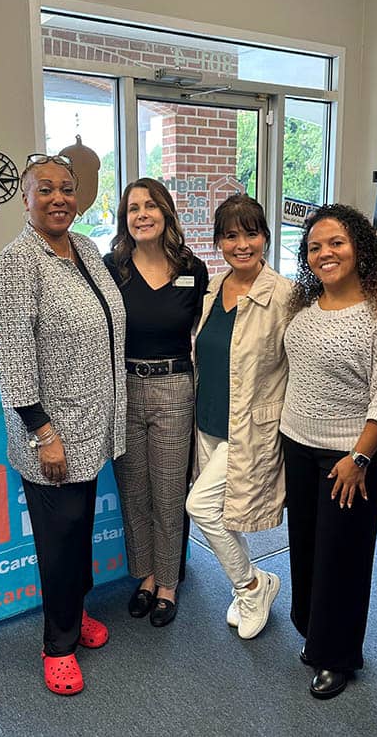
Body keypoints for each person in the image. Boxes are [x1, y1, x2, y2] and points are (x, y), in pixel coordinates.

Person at [0, 153, 126, 696]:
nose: (58, 197)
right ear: (26, 199)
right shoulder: (17, 262)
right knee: (58, 539)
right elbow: (13, 357)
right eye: (45, 189)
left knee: (78, 531)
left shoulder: (86, 248)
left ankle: (77, 606)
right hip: (53, 434)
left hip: (94, 426)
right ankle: (58, 643)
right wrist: (43, 432)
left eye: (66, 188)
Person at [280, 203, 377, 700]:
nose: (325, 253)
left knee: (344, 555)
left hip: (348, 456)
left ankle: (337, 656)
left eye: (336, 242)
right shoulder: (304, 304)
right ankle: (315, 632)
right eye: (314, 247)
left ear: (359, 247)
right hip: (297, 442)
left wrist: (359, 457)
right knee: (308, 545)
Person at [186, 193, 291, 640]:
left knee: (200, 508)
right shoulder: (212, 288)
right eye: (230, 236)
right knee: (224, 514)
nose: (241, 244)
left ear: (265, 238)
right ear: (218, 243)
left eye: (250, 233)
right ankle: (255, 580)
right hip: (207, 420)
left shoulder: (285, 295)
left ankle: (250, 586)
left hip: (249, 428)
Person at [104, 177, 208, 627]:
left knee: (169, 491)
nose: (141, 214)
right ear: (125, 219)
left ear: (166, 213)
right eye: (132, 208)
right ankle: (144, 576)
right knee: (133, 491)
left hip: (173, 386)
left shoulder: (191, 267)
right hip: (124, 386)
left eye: (150, 206)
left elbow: (207, 333)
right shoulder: (112, 268)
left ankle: (168, 582)